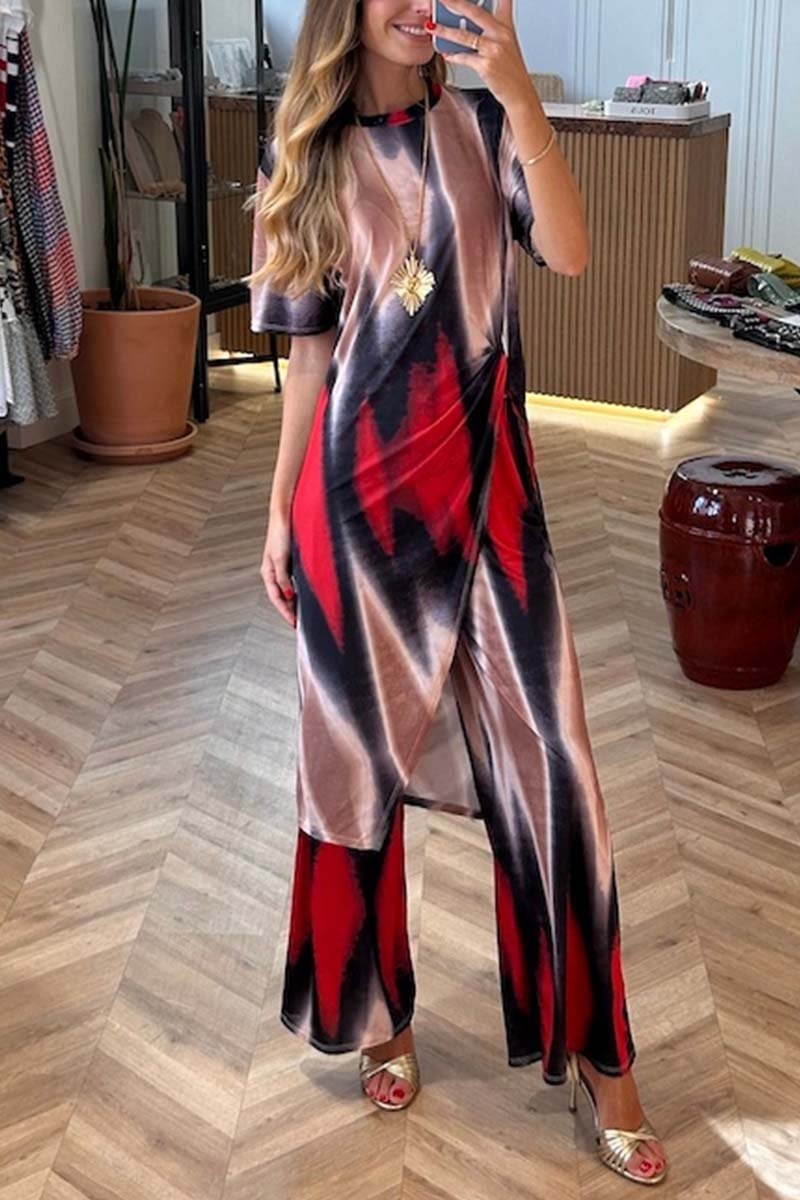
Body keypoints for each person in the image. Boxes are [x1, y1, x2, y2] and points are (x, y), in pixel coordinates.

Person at [249, 0, 667, 1187]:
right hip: (357, 516)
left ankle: (605, 1064)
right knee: (351, 775)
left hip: (492, 510)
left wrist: (520, 91)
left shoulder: (484, 127)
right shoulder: (305, 155)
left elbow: (571, 252)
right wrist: (278, 511)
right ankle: (378, 1017)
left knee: (558, 770)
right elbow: (309, 360)